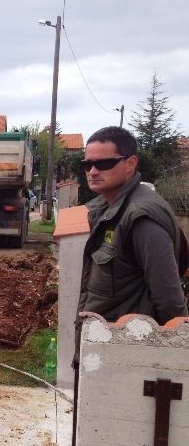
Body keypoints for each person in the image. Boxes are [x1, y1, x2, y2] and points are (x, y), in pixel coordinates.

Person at [72, 127, 188, 439]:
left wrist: (170, 367)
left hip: (129, 361)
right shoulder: (109, 208)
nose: (93, 171)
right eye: (87, 165)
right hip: (106, 357)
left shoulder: (141, 217)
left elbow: (170, 299)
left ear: (131, 163)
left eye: (104, 163)